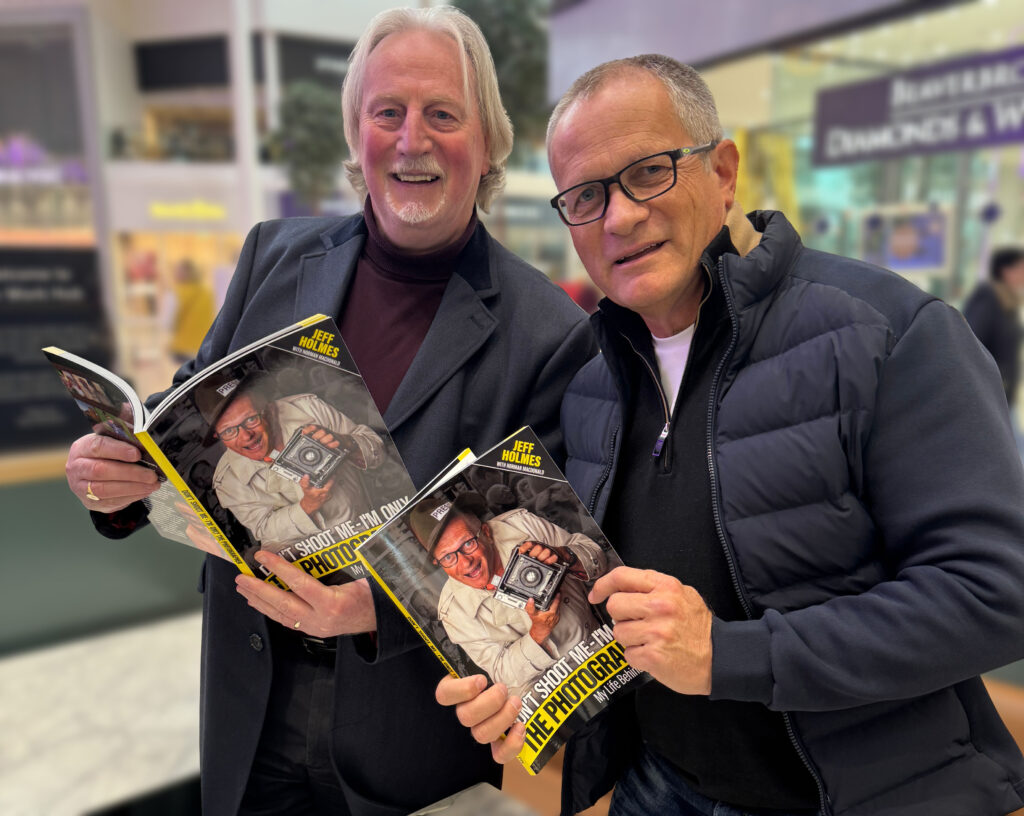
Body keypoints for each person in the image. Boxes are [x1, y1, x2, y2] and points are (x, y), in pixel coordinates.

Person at [437, 55, 1024, 816]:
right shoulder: (588, 377)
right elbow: (595, 594)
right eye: (584, 196)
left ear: (723, 171)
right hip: (659, 787)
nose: (618, 216)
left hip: (867, 794)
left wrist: (729, 654)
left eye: (647, 172)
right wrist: (530, 686)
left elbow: (996, 592)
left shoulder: (887, 334)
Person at [61, 7, 596, 815]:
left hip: (411, 738)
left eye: (442, 114)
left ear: (487, 140)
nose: (411, 139)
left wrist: (374, 608)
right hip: (252, 700)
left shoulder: (549, 331)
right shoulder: (272, 259)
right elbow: (182, 424)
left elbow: (541, 558)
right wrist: (117, 482)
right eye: (388, 112)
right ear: (357, 134)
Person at [409, 492, 605, 700]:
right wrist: (537, 633)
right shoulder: (454, 612)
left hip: (605, 652)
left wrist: (563, 556)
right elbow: (502, 673)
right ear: (437, 563)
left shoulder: (520, 524)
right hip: (558, 700)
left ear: (486, 532)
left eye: (467, 543)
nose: (466, 563)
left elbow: (596, 555)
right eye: (448, 557)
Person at [195, 370, 385, 553]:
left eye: (251, 419)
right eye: (229, 431)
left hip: (375, 531)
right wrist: (307, 505)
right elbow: (264, 529)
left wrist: (345, 442)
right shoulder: (227, 481)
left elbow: (379, 450)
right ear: (217, 435)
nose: (246, 437)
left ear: (265, 407)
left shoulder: (307, 407)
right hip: (323, 564)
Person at [964, 247, 1024, 411]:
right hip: (990, 394)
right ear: (1005, 270)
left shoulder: (1008, 301)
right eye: (1021, 268)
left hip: (1001, 393)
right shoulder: (989, 297)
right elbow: (973, 340)